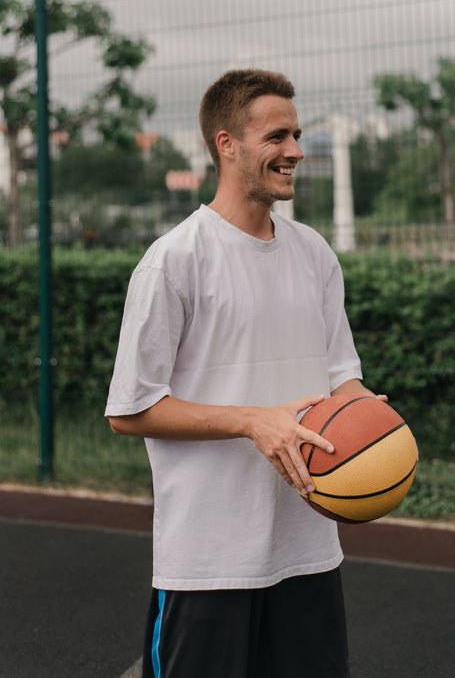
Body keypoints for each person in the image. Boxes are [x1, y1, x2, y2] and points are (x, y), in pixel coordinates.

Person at [106, 68, 385, 678]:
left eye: (297, 134)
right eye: (276, 136)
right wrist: (252, 422)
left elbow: (344, 375)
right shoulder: (174, 261)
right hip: (208, 560)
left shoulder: (314, 252)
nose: (295, 151)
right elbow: (130, 410)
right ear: (226, 144)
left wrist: (370, 418)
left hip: (307, 549)